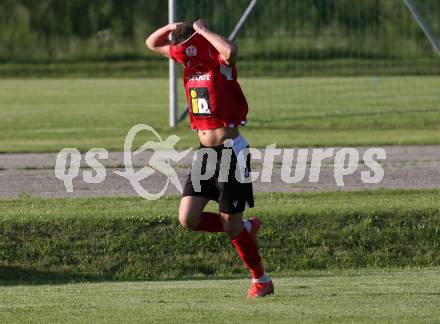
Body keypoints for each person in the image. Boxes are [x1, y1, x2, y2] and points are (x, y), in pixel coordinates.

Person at [146, 19, 274, 298]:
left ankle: (261, 280)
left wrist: (203, 31)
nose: (181, 53)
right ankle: (246, 227)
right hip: (205, 154)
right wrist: (170, 28)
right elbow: (152, 44)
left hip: (231, 151)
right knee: (188, 218)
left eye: (185, 46)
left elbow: (230, 51)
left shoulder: (218, 59)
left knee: (231, 227)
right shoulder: (187, 63)